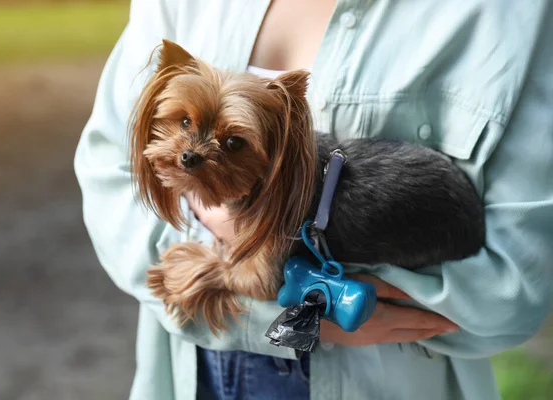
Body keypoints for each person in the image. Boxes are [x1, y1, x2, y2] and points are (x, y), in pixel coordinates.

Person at [74, 0, 553, 399]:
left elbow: (513, 291)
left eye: (235, 142)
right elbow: (109, 185)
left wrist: (238, 273)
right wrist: (308, 320)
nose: (194, 152)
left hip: (387, 379)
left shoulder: (511, 14)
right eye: (181, 123)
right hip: (193, 374)